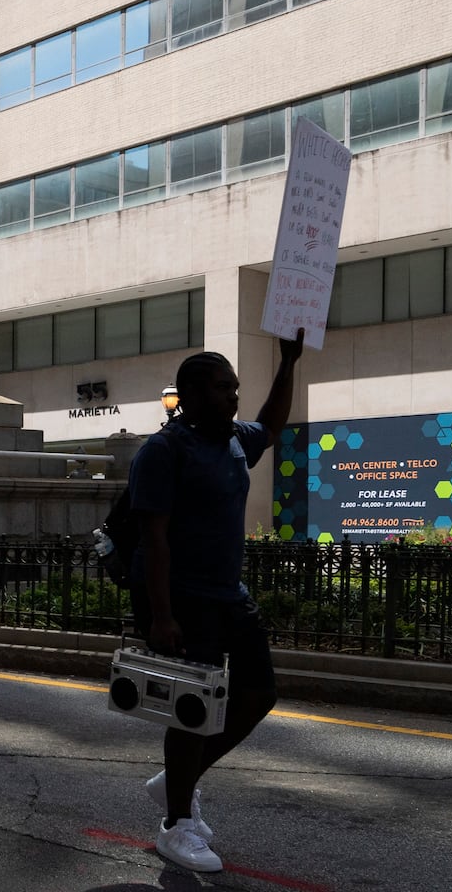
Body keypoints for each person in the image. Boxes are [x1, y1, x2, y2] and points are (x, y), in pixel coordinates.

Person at [130, 331, 303, 873]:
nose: (234, 397)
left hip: (230, 596)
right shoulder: (164, 450)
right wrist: (161, 615)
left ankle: (175, 783)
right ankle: (177, 826)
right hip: (185, 599)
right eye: (225, 388)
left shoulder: (233, 439)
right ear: (193, 395)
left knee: (259, 693)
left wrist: (287, 362)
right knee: (193, 712)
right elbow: (152, 538)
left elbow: (271, 425)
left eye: (235, 388)